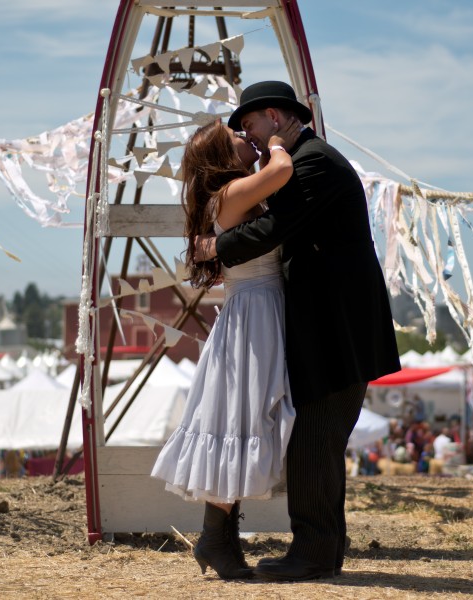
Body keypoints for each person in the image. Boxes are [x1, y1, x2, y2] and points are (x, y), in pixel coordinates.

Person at [197, 81, 400, 580]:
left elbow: (272, 230)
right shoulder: (304, 158)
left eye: (250, 124)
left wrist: (212, 248)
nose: (247, 134)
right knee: (320, 436)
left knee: (314, 434)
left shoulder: (311, 162)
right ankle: (321, 549)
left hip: (335, 327)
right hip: (331, 324)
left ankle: (313, 552)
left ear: (273, 115)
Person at [151, 116, 303, 580]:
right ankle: (217, 538)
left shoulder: (234, 195)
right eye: (236, 137)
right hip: (255, 311)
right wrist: (279, 143)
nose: (247, 137)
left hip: (254, 308)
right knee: (246, 418)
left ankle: (219, 538)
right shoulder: (234, 193)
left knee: (244, 418)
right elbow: (281, 173)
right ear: (221, 156)